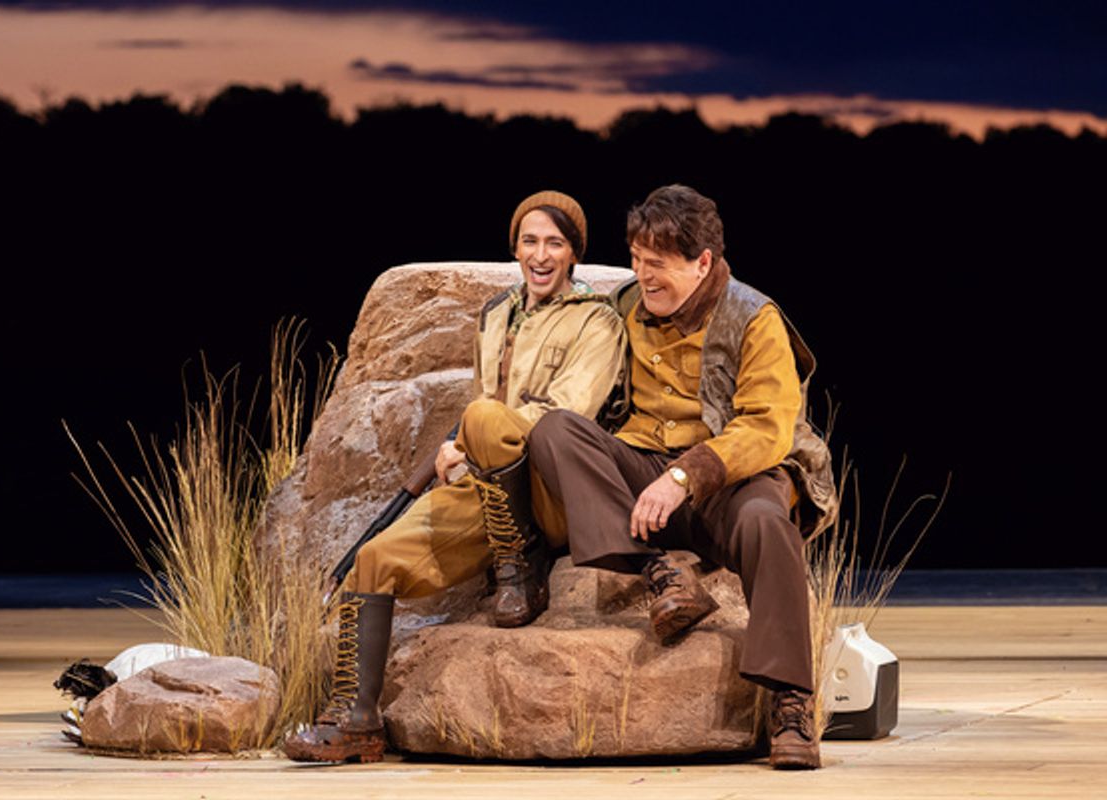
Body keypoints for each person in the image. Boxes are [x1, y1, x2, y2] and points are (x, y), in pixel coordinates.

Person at [285, 190, 628, 763]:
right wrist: (460, 449)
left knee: (485, 418)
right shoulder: (496, 314)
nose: (540, 255)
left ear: (574, 254)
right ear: (515, 246)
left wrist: (473, 434)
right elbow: (482, 397)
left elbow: (570, 413)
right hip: (489, 486)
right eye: (530, 241)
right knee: (373, 560)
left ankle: (523, 565)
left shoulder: (596, 320)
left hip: (551, 488)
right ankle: (356, 721)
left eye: (555, 243)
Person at [528, 185, 838, 770]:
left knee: (770, 524)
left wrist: (682, 476)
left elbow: (767, 430)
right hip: (642, 467)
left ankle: (790, 702)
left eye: (658, 264)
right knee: (555, 432)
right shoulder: (623, 306)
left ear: (702, 263)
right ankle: (658, 571)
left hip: (730, 480)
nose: (643, 275)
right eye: (636, 260)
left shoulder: (755, 317)